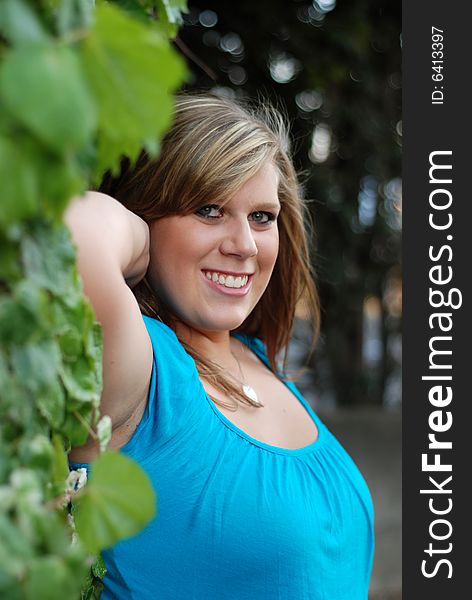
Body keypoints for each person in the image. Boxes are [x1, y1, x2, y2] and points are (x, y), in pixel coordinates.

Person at [66, 93, 374, 599]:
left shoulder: (256, 358)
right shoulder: (141, 374)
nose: (245, 245)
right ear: (143, 217)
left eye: (261, 217)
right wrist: (143, 243)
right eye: (209, 209)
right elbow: (74, 238)